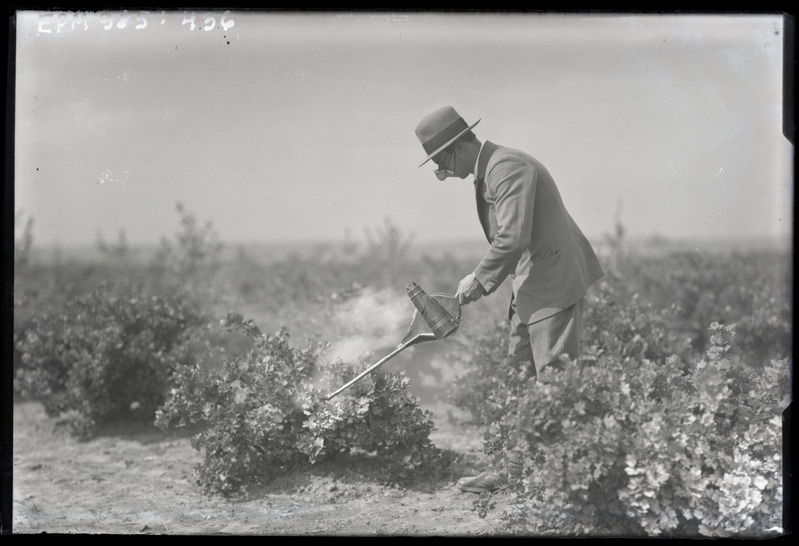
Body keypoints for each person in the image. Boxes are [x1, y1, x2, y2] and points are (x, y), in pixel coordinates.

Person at [414, 105, 604, 493]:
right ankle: (513, 471)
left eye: (440, 163)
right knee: (519, 379)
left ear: (458, 146)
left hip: (553, 285)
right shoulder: (491, 170)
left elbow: (513, 238)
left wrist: (479, 279)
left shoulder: (506, 167)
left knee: (554, 383)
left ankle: (559, 483)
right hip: (530, 286)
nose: (442, 173)